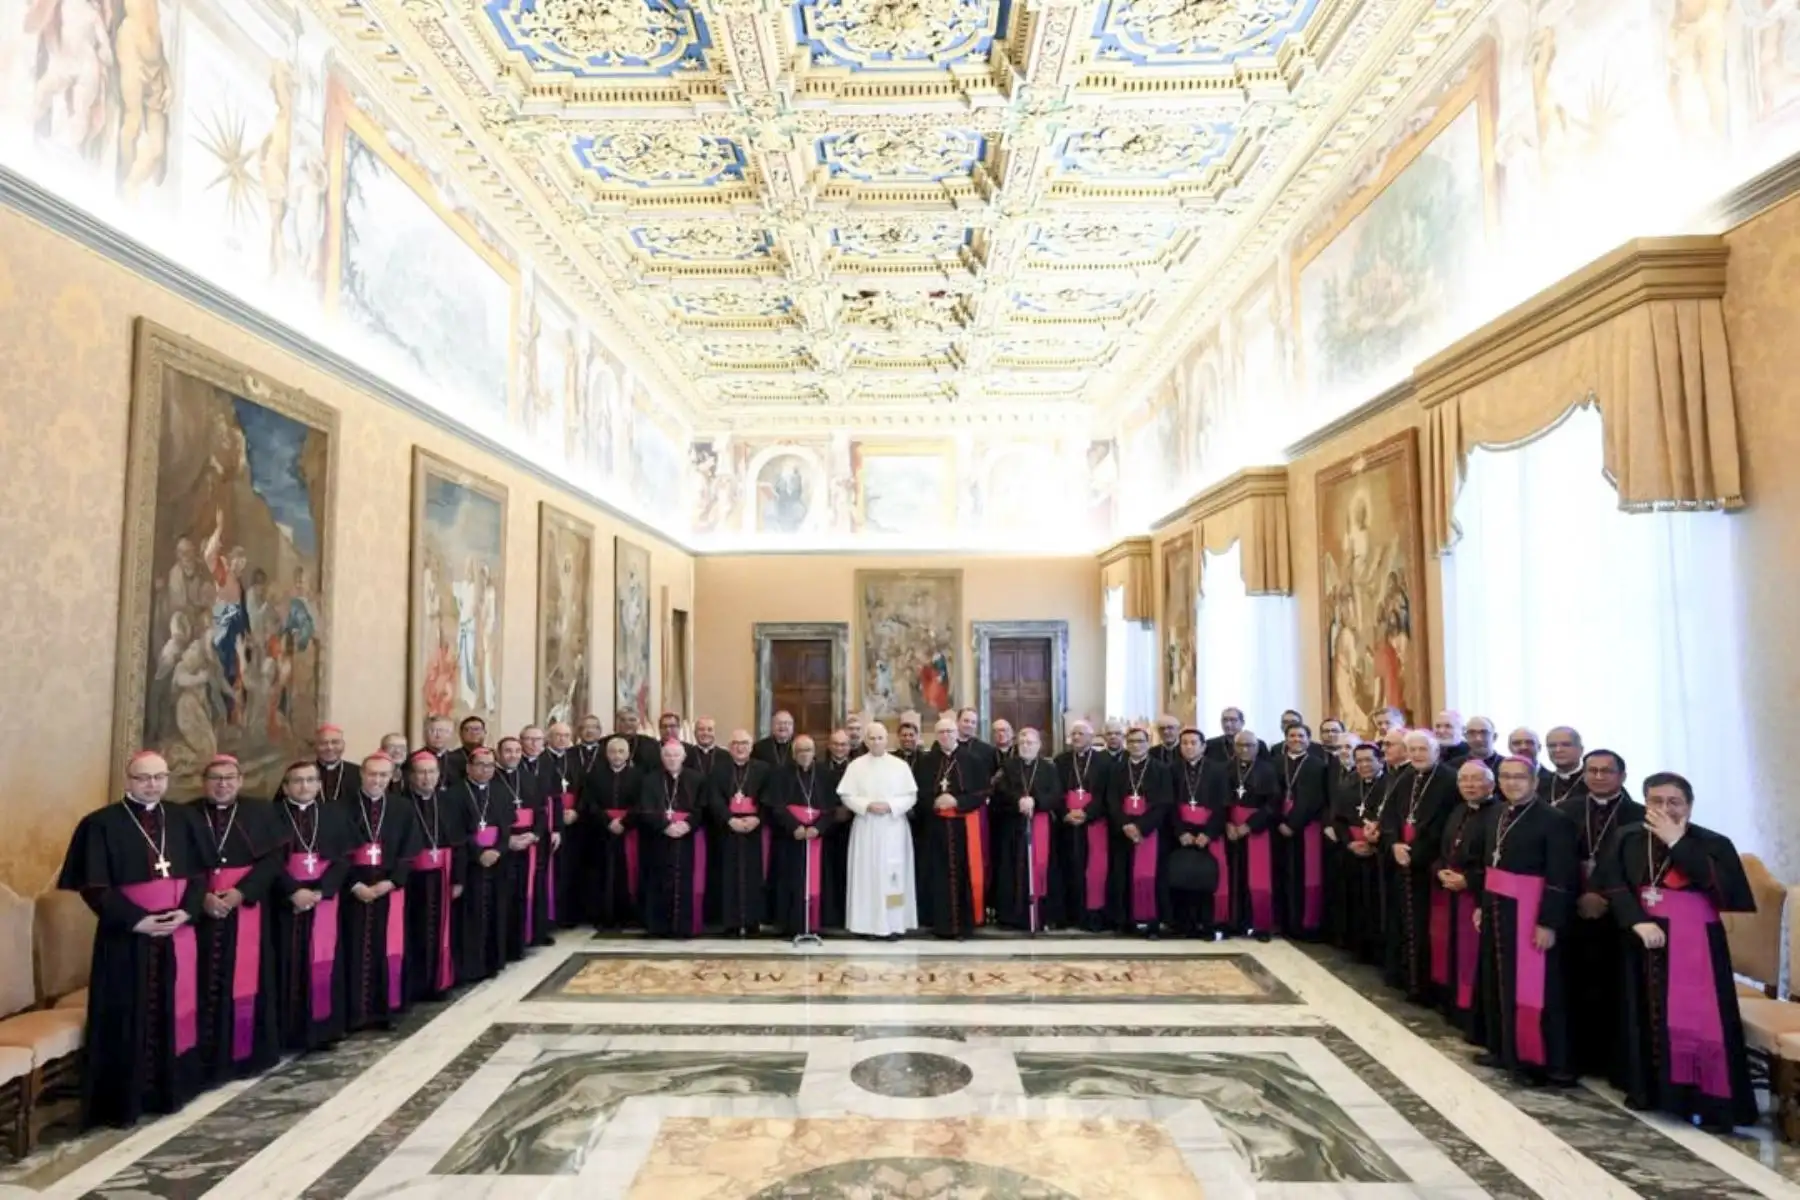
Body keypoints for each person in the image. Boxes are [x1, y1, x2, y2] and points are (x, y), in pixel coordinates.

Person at [1592, 772, 1758, 1130]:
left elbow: (1729, 894)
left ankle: (1704, 1100)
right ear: (1645, 802)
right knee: (1643, 1013)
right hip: (1642, 938)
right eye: (1656, 801)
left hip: (1695, 943)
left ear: (1689, 805)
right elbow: (1612, 882)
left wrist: (1678, 843)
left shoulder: (1713, 842)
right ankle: (1650, 1092)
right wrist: (1636, 920)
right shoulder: (1628, 836)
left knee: (1699, 1019)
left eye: (1674, 802)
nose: (1664, 809)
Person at [57, 751, 212, 1127]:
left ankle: (172, 1089)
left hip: (178, 934)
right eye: (143, 778)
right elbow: (93, 887)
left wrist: (187, 911)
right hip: (126, 939)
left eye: (160, 777)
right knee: (127, 1013)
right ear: (128, 781)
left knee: (177, 1010)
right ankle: (125, 1099)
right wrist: (136, 921)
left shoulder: (183, 818)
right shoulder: (101, 824)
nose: (152, 784)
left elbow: (200, 875)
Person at [1476, 756, 1580, 1086]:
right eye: (1505, 777)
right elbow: (1490, 865)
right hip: (1497, 907)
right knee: (1499, 978)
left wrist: (1548, 922)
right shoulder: (1496, 812)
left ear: (1535, 782)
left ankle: (1541, 1061)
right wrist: (1483, 904)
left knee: (1536, 987)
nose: (1511, 783)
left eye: (1519, 777)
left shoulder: (1554, 820)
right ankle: (1506, 1049)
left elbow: (1561, 876)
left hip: (1530, 912)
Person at [186, 755, 282, 1081]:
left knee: (246, 980)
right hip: (200, 914)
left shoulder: (260, 812)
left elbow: (273, 859)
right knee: (198, 983)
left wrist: (242, 892)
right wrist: (203, 898)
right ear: (204, 782)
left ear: (240, 781)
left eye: (229, 777)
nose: (223, 784)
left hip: (246, 910)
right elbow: (178, 865)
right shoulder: (186, 815)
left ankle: (245, 1056)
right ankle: (202, 1057)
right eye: (215, 777)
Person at [1558, 748, 1645, 1081]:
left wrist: (1601, 893)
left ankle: (1615, 1063)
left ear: (1622, 776)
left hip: (1618, 915)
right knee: (1571, 985)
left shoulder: (1638, 816)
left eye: (1606, 771)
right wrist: (1580, 895)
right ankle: (1575, 1058)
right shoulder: (1564, 811)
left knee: (1614, 990)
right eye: (1591, 770)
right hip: (1570, 909)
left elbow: (1638, 866)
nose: (1598, 776)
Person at [270, 760, 352, 1053]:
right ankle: (286, 1032)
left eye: (310, 780)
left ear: (319, 785)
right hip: (285, 903)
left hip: (323, 900)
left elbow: (343, 858)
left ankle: (323, 1030)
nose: (304, 786)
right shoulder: (272, 816)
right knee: (286, 963)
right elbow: (268, 861)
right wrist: (293, 892)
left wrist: (320, 892)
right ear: (285, 786)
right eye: (297, 781)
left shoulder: (334, 815)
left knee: (324, 962)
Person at [340, 755, 422, 1032]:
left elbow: (410, 851)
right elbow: (335, 853)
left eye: (383, 776)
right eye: (372, 774)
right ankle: (353, 1013)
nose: (377, 780)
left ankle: (384, 1009)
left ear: (392, 778)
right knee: (351, 949)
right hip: (353, 889)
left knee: (387, 948)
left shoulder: (403, 808)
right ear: (361, 774)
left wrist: (391, 882)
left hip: (388, 888)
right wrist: (354, 885)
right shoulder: (340, 808)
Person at [1383, 730, 1459, 1002]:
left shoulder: (1449, 780)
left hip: (1427, 866)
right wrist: (1393, 843)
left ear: (1436, 751)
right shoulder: (1406, 778)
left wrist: (1415, 854)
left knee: (1426, 927)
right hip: (1400, 859)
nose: (1416, 755)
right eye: (1412, 749)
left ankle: (1424, 986)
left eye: (1422, 750)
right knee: (1403, 923)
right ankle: (1405, 977)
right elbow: (1389, 815)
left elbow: (1446, 826)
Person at [838, 723, 919, 939]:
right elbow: (847, 795)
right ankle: (865, 925)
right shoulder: (855, 766)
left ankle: (894, 924)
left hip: (893, 828)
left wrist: (890, 806)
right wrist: (866, 806)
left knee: (894, 877)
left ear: (887, 740)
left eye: (880, 738)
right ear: (866, 741)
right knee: (866, 877)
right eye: (872, 738)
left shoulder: (900, 766)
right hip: (866, 827)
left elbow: (911, 796)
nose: (876, 742)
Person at [1436, 761, 1497, 1038]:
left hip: (1479, 897)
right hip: (1451, 892)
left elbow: (1497, 863)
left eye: (1476, 780)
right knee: (1454, 954)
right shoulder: (1458, 810)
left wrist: (1469, 881)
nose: (1470, 785)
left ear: (1491, 784)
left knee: (1475, 960)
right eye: (1464, 780)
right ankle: (1456, 1008)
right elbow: (1445, 850)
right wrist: (1440, 871)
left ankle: (1474, 1016)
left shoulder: (1498, 814)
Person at [401, 751, 463, 1003]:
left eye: (432, 772)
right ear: (411, 776)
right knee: (412, 932)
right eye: (421, 772)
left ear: (439, 775)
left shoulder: (448, 803)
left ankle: (439, 981)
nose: (427, 778)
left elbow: (460, 843)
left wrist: (458, 879)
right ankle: (414, 985)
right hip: (411, 880)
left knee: (442, 931)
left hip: (443, 876)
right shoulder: (401, 804)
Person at [917, 718, 988, 938]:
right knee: (938, 876)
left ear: (957, 733)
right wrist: (935, 802)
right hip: (935, 828)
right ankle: (941, 925)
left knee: (964, 874)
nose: (945, 735)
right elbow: (917, 793)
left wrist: (957, 802)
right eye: (941, 732)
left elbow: (983, 793)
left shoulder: (973, 760)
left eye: (949, 731)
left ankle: (964, 925)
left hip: (963, 827)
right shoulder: (927, 762)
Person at [770, 735, 842, 937]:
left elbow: (831, 808)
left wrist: (818, 828)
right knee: (789, 880)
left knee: (819, 880)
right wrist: (794, 826)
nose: (804, 754)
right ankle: (790, 925)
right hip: (791, 839)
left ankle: (815, 923)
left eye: (808, 750)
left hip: (818, 838)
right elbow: (776, 806)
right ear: (794, 754)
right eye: (800, 750)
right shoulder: (781, 775)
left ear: (814, 753)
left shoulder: (825, 775)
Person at [993, 727, 1063, 932]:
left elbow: (1056, 794)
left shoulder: (1049, 768)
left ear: (1039, 745)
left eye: (1030, 742)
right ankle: (1012, 917)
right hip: (1013, 828)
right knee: (1012, 869)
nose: (1026, 746)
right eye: (1022, 742)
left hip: (1041, 825)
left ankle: (1041, 916)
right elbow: (999, 793)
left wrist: (1036, 802)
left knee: (1042, 869)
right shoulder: (1008, 766)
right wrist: (1018, 802)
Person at [1104, 726, 1171, 937]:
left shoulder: (1161, 769)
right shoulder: (1116, 769)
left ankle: (1150, 921)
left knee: (1149, 876)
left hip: (1149, 831)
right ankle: (1124, 920)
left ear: (1148, 743)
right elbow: (1111, 800)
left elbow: (1164, 802)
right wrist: (1125, 824)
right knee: (1122, 875)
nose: (1135, 745)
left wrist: (1141, 827)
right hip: (1122, 831)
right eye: (1131, 741)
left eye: (1140, 741)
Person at [453, 747, 512, 983]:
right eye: (480, 765)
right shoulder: (455, 794)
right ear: (469, 767)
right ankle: (471, 966)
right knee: (471, 914)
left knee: (495, 910)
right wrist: (479, 853)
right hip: (468, 864)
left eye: (490, 765)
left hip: (497, 863)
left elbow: (507, 829)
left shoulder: (501, 791)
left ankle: (493, 961)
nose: (485, 770)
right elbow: (456, 833)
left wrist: (497, 850)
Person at [639, 739, 707, 937]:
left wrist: (686, 825)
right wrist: (665, 826)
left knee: (687, 881)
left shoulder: (697, 779)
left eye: (676, 755)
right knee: (659, 881)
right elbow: (646, 808)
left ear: (684, 757)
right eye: (667, 755)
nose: (672, 759)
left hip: (689, 838)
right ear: (661, 757)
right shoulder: (650, 780)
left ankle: (684, 927)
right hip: (659, 838)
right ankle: (660, 927)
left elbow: (702, 807)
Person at [711, 729, 773, 936]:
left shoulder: (763, 769)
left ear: (751, 746)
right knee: (729, 874)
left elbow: (769, 798)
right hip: (728, 829)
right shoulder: (718, 770)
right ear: (729, 747)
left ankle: (753, 920)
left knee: (754, 875)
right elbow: (714, 799)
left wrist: (757, 818)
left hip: (755, 829)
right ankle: (731, 922)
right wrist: (729, 820)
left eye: (744, 743)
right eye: (736, 743)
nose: (740, 747)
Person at [580, 735, 643, 931]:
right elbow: (589, 803)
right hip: (602, 831)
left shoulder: (639, 776)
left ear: (628, 754)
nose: (617, 755)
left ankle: (628, 915)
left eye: (621, 751)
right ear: (606, 754)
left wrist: (624, 822)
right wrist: (608, 822)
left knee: (628, 874)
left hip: (629, 831)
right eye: (613, 751)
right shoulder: (594, 775)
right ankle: (604, 915)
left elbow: (642, 803)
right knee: (602, 874)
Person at [1168, 728, 1227, 939]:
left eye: (1193, 743)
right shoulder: (1172, 770)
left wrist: (1209, 833)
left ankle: (1207, 923)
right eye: (1184, 743)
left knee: (1206, 880)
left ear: (1203, 746)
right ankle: (1184, 924)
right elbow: (1169, 804)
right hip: (1182, 833)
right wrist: (1180, 831)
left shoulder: (1218, 770)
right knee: (1181, 877)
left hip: (1208, 834)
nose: (1189, 747)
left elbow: (1223, 805)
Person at [1222, 729, 1280, 939]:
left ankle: (1261, 925)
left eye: (1250, 746)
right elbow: (1220, 800)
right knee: (1233, 876)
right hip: (1230, 830)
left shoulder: (1268, 770)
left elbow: (1273, 804)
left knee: (1258, 879)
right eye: (1240, 745)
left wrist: (1249, 826)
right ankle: (1234, 922)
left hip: (1257, 829)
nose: (1245, 749)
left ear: (1257, 748)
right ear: (1234, 747)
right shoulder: (1226, 769)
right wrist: (1228, 823)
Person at [1274, 723, 1329, 941]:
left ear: (1309, 739)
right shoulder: (1276, 763)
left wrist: (1293, 824)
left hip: (1306, 828)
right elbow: (1271, 796)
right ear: (1286, 739)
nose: (1296, 739)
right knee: (1283, 874)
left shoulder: (1317, 765)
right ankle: (1284, 922)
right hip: (1279, 826)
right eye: (1292, 736)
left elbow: (1314, 799)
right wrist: (1279, 821)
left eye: (1301, 736)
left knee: (1305, 876)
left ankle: (1304, 925)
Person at [1055, 719, 1110, 933]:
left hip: (1093, 823)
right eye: (1074, 734)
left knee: (1093, 871)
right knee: (1068, 868)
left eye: (1081, 734)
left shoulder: (1103, 762)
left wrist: (1087, 814)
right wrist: (1065, 813)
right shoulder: (1061, 761)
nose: (1076, 738)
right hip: (1067, 824)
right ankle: (1069, 915)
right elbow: (1056, 791)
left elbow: (1106, 794)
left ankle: (1092, 916)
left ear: (1091, 736)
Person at [1333, 742, 1386, 962]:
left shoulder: (1389, 785)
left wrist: (1373, 844)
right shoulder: (1349, 785)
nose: (1363, 765)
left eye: (1368, 760)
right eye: (1359, 760)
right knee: (1354, 899)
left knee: (1375, 902)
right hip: (1353, 851)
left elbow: (1391, 820)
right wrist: (1349, 843)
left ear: (1380, 760)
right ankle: (1356, 945)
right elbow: (1338, 820)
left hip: (1377, 854)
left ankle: (1376, 949)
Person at [493, 737, 540, 960]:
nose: (513, 755)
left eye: (517, 751)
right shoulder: (492, 780)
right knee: (504, 898)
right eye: (508, 751)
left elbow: (541, 809)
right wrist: (508, 840)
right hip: (504, 847)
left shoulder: (529, 778)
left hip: (527, 845)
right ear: (498, 754)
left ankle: (519, 944)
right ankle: (501, 948)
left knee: (523, 895)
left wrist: (535, 834)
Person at [1538, 726, 1586, 805]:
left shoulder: (1592, 782)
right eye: (1552, 746)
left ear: (1581, 749)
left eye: (1566, 745)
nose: (1558, 750)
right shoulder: (1539, 783)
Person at [314, 724, 358, 807]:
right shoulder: (300, 772)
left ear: (343, 745)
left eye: (335, 742)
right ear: (315, 746)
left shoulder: (358, 772)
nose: (329, 747)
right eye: (323, 743)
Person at [443, 715, 487, 787]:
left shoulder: (493, 757)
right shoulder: (448, 759)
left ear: (484, 733)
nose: (473, 733)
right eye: (468, 729)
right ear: (461, 734)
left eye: (477, 729)